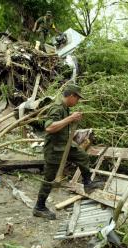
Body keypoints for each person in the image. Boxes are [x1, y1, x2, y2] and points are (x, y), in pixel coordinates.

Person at [33, 84, 103, 220]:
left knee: (82, 156)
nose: (78, 102)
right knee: (49, 178)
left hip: (65, 145)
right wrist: (70, 119)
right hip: (54, 149)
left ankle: (88, 183)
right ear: (71, 96)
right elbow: (50, 128)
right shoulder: (57, 108)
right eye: (77, 98)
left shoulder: (65, 108)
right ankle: (39, 207)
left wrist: (71, 121)